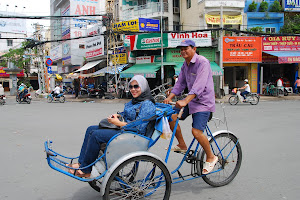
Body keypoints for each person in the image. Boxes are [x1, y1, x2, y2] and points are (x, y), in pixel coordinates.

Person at [68, 75, 156, 178]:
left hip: (134, 135)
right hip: (125, 130)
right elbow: (128, 114)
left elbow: (139, 127)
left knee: (96, 135)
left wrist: (118, 123)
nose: (133, 89)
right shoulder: (135, 101)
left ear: (143, 87)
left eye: (136, 86)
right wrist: (118, 116)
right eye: (131, 87)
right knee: (90, 129)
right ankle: (81, 163)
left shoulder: (147, 104)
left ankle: (86, 170)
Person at [163, 39, 218, 175]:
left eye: (185, 48)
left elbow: (199, 85)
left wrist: (185, 101)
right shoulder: (185, 65)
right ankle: (182, 144)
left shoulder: (202, 62)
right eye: (181, 49)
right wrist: (169, 98)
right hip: (191, 100)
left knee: (196, 132)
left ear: (194, 48)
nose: (183, 51)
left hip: (204, 103)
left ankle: (211, 156)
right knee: (171, 116)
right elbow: (180, 83)